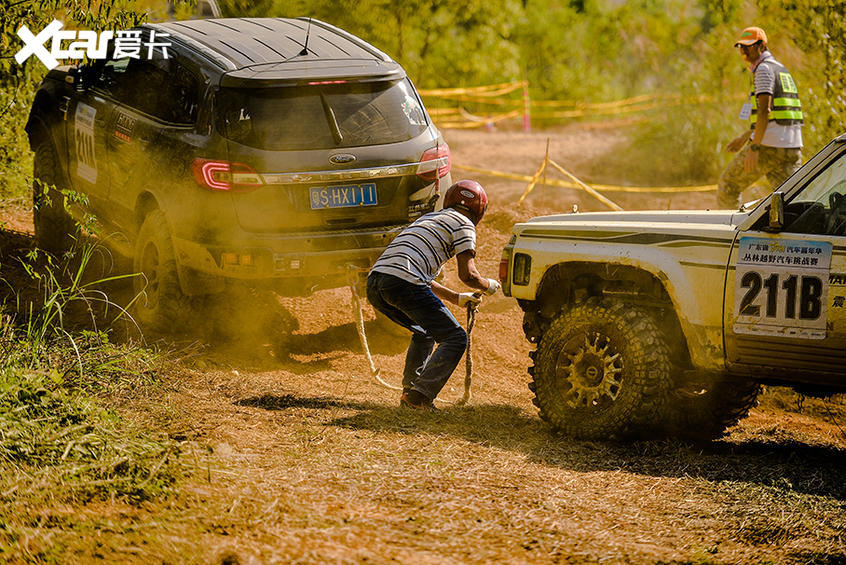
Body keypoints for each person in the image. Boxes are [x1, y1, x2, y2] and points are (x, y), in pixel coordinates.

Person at [366, 180, 501, 411]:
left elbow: (419, 278)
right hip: (403, 282)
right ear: (479, 210)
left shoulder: (427, 220)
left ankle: (411, 393)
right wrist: (487, 286)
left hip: (377, 282)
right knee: (456, 338)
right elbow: (468, 275)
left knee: (425, 330)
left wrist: (456, 298)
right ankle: (419, 398)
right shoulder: (464, 224)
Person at [717, 26, 803, 209]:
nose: (743, 51)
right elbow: (777, 113)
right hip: (792, 146)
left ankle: (731, 233)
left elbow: (765, 111)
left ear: (761, 46)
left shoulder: (763, 70)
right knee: (792, 202)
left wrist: (754, 147)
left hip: (769, 146)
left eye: (748, 47)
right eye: (741, 47)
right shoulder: (780, 68)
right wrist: (745, 136)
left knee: (728, 185)